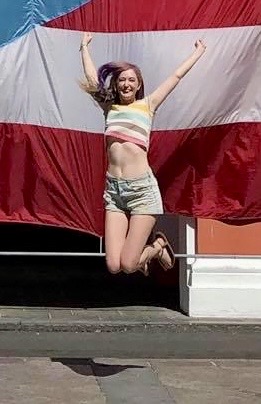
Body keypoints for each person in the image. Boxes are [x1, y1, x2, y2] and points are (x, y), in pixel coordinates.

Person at [80, 32, 206, 275]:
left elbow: (176, 76)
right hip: (114, 191)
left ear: (138, 85)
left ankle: (158, 246)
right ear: (116, 85)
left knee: (129, 265)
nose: (126, 84)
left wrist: (198, 52)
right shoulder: (110, 108)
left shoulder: (148, 106)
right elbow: (92, 79)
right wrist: (83, 48)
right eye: (122, 80)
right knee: (113, 266)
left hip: (142, 191)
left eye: (131, 80)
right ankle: (153, 249)